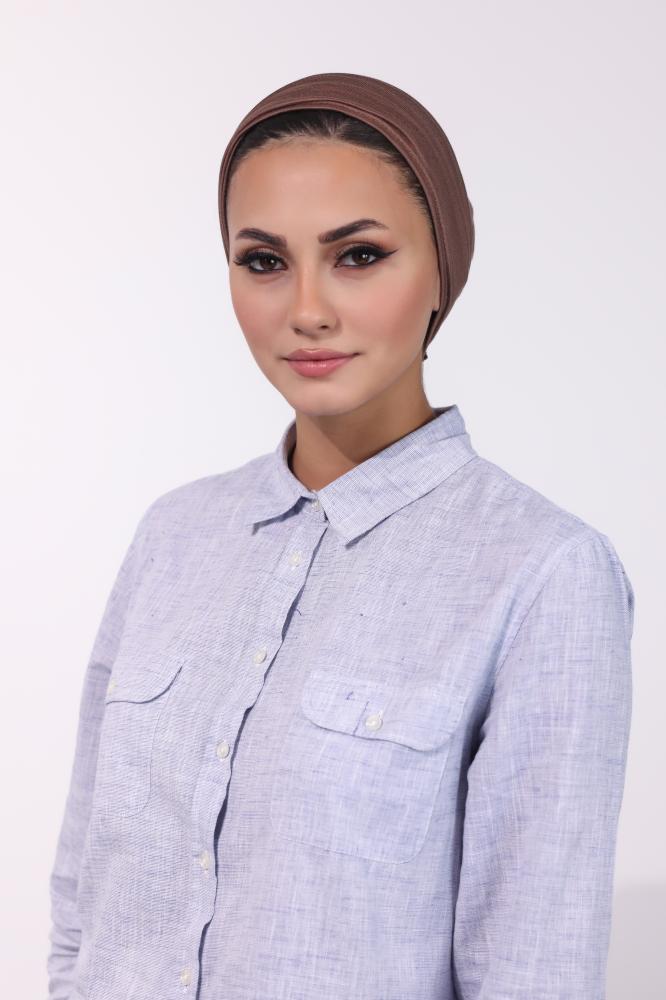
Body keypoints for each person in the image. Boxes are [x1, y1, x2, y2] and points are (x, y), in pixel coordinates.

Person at [46, 72, 634, 1000]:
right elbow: (83, 911)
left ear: (442, 269)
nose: (307, 309)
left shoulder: (543, 571)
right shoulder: (174, 536)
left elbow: (535, 971)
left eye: (358, 256)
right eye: (263, 261)